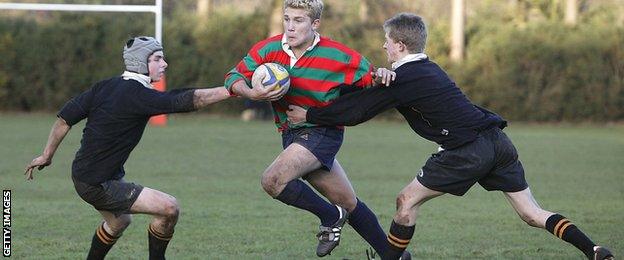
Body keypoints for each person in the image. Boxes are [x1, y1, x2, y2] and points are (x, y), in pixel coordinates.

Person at [286, 13, 614, 260]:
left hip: (465, 150)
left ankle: (393, 258)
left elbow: (358, 111)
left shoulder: (404, 77)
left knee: (406, 201)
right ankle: (593, 249)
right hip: (497, 142)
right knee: (532, 213)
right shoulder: (429, 67)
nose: (383, 45)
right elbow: (362, 98)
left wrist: (310, 115)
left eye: (386, 40)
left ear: (399, 45)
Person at [224, 0, 409, 258]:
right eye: (287, 19)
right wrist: (252, 92)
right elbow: (233, 77)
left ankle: (331, 217)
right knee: (349, 203)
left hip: (323, 133)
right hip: (291, 135)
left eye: (298, 21)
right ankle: (396, 256)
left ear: (315, 24)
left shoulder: (337, 55)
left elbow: (371, 77)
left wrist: (383, 75)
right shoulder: (269, 49)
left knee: (273, 180)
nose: (290, 27)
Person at [24, 36, 230, 260]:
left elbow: (64, 118)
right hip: (97, 183)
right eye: (158, 58)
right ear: (142, 62)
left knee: (119, 221)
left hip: (85, 175)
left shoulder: (105, 86)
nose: (165, 64)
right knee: (169, 207)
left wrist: (47, 155)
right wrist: (231, 90)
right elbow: (186, 100)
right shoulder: (138, 95)